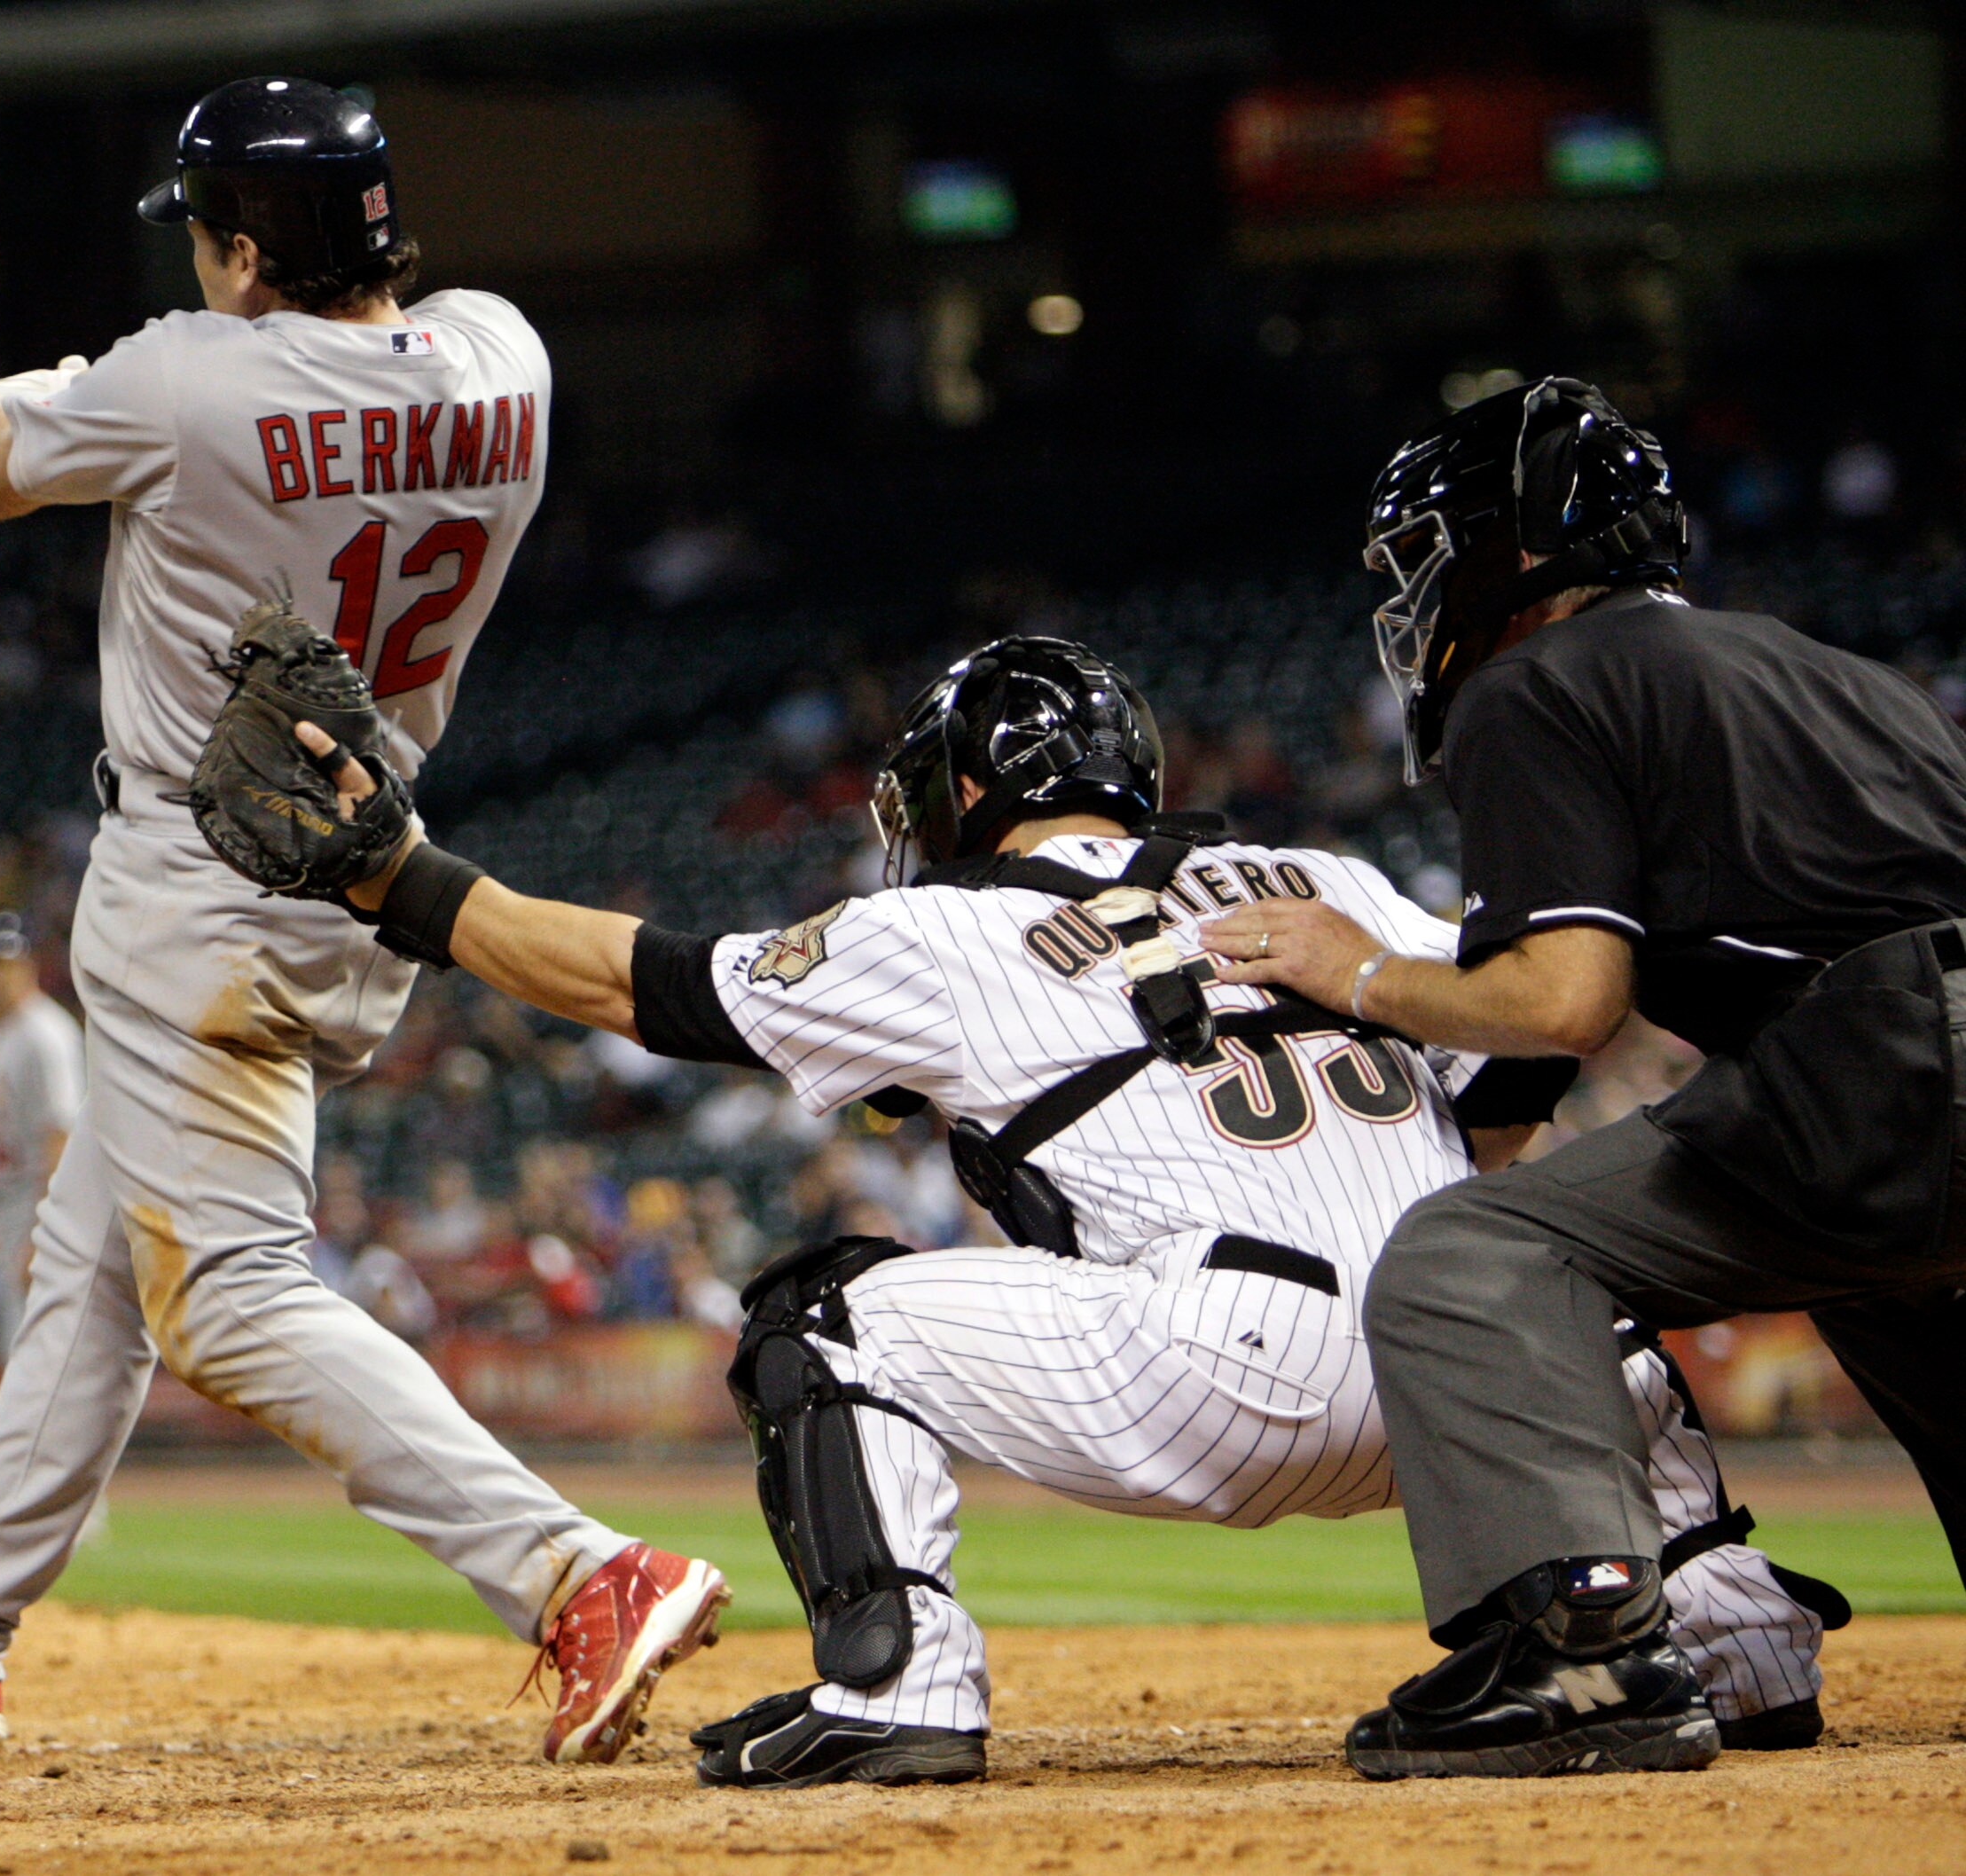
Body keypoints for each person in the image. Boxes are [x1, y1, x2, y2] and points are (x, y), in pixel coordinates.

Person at [229, 630, 1837, 1789]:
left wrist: (407, 886)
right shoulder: (1321, 879)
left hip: (1223, 1372)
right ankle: (1730, 1626)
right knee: (1560, 1276)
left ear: (963, 791)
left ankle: (896, 1685)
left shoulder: (940, 927)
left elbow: (643, 983)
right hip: (1464, 1376)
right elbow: (1506, 1049)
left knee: (821, 1311)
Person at [0, 76, 725, 1770]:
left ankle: (576, 1572)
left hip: (198, 881)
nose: (194, 263)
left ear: (249, 251)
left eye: (207, 238)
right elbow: (227, 400)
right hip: (361, 855)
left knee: (233, 1294)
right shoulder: (506, 354)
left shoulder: (187, 381)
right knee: (91, 1271)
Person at [1205, 378, 1966, 1780]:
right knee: (1896, 1280)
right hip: (1910, 1071)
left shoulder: (1533, 684)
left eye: (1436, 550)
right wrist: (1487, 1127)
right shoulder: (1836, 672)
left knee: (1466, 1256)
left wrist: (1356, 969)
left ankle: (1584, 1655)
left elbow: (1564, 1001)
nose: (1423, 590)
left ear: (1515, 550)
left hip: (1896, 1063)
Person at [0, 911, 84, 1357]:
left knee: (43, 1354)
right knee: (15, 1349)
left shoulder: (47, 1034)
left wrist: (42, 1233)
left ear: (26, 965)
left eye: (0, 963)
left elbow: (62, 1138)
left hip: (35, 1204)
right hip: (1, 1206)